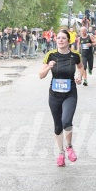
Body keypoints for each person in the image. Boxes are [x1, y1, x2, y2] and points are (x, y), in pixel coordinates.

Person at [39, 29, 84, 167]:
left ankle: (69, 146)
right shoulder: (50, 55)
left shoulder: (75, 55)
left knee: (66, 121)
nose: (60, 40)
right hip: (54, 95)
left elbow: (81, 67)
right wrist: (49, 67)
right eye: (58, 38)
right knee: (58, 125)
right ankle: (60, 153)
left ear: (68, 40)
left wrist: (79, 77)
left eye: (63, 38)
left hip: (70, 93)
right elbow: (41, 75)